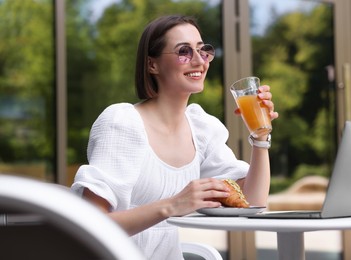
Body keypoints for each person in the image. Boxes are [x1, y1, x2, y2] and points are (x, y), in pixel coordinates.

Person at [71, 14, 279, 259]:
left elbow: (253, 200)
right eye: (184, 51)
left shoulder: (201, 129)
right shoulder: (122, 123)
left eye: (203, 51)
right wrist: (173, 205)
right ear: (152, 64)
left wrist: (260, 137)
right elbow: (91, 225)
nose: (199, 61)